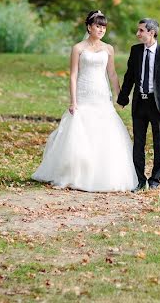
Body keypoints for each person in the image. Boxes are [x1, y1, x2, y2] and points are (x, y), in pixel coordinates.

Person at [31, 10, 137, 192]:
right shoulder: (78, 48)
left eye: (103, 26)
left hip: (102, 95)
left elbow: (112, 74)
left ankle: (101, 174)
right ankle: (76, 174)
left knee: (104, 131)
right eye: (98, 25)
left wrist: (120, 95)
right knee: (79, 132)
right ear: (89, 27)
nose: (101, 29)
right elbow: (73, 75)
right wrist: (73, 101)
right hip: (84, 93)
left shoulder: (108, 49)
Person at [117, 18, 160, 190]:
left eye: (141, 31)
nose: (137, 34)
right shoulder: (135, 51)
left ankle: (155, 180)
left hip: (158, 105)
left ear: (151, 33)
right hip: (139, 103)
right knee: (138, 142)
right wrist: (123, 98)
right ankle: (140, 179)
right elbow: (129, 76)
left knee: (159, 144)